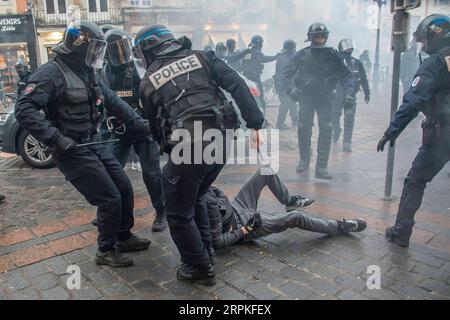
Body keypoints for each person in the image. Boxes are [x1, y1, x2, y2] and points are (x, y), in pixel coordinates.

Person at [15, 21, 152, 268]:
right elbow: (24, 109)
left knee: (124, 187)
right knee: (109, 199)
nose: (97, 55)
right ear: (78, 47)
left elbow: (116, 105)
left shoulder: (90, 73)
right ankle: (106, 250)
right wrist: (56, 138)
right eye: (93, 49)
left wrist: (147, 128)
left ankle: (123, 236)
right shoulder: (51, 73)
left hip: (94, 143)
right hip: (71, 150)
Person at [135, 24, 265, 285]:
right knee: (196, 195)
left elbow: (156, 126)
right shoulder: (203, 56)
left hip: (189, 144)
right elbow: (236, 83)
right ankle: (206, 253)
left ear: (148, 48)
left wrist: (170, 152)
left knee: (177, 212)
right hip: (223, 138)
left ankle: (199, 267)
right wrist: (255, 121)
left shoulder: (148, 79)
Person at [377, 14, 450, 247]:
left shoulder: (436, 64)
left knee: (415, 180)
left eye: (424, 40)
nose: (423, 46)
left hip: (442, 134)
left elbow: (413, 102)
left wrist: (392, 131)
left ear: (435, 36)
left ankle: (401, 231)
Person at [199, 167, 366, 250]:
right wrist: (246, 229)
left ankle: (289, 200)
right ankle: (340, 226)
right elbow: (217, 241)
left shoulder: (202, 184)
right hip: (246, 227)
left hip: (237, 206)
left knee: (266, 170)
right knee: (296, 217)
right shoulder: (201, 207)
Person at [102, 28, 166, 231]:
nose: (118, 54)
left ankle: (162, 211)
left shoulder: (140, 69)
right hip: (120, 130)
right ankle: (110, 212)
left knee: (152, 174)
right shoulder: (104, 72)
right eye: (113, 50)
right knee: (108, 173)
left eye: (121, 48)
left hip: (143, 129)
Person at [284, 23, 354, 179]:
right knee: (304, 128)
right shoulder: (301, 55)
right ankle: (304, 160)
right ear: (310, 37)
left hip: (325, 98)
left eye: (323, 36)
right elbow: (285, 75)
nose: (320, 38)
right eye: (317, 36)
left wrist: (349, 93)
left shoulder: (333, 54)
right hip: (306, 97)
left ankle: (321, 167)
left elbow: (346, 75)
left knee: (327, 129)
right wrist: (291, 89)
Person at [332, 39, 370, 152]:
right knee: (333, 117)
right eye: (347, 48)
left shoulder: (356, 62)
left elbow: (363, 78)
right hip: (337, 94)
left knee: (349, 117)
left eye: (350, 48)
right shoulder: (335, 62)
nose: (349, 50)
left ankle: (347, 143)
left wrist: (367, 92)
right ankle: (337, 130)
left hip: (351, 95)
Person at [242, 35, 278, 126]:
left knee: (247, 99)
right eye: (261, 43)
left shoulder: (248, 52)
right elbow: (265, 59)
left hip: (246, 79)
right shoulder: (257, 52)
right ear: (259, 44)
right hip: (255, 79)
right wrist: (276, 56)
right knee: (261, 100)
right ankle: (262, 121)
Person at [274, 40, 298, 130]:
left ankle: (295, 121)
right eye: (294, 48)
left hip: (284, 84)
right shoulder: (285, 58)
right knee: (286, 103)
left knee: (293, 102)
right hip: (283, 85)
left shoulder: (283, 56)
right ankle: (280, 123)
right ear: (291, 49)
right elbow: (284, 74)